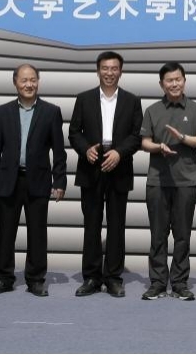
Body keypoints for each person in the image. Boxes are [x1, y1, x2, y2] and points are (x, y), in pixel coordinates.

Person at [0, 64, 67, 297]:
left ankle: (36, 279)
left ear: (38, 82)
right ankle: (4, 278)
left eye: (33, 80)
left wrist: (59, 182)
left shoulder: (51, 111)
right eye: (24, 80)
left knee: (38, 233)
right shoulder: (3, 111)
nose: (29, 84)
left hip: (38, 180)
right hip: (9, 180)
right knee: (5, 233)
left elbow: (59, 151)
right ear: (15, 83)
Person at [69, 51, 142, 298]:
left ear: (120, 71)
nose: (109, 72)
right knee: (91, 225)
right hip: (91, 166)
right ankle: (91, 277)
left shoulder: (132, 100)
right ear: (98, 70)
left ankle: (113, 278)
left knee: (116, 225)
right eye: (105, 68)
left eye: (114, 68)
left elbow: (137, 135)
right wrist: (85, 149)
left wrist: (119, 153)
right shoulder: (84, 98)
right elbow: (74, 132)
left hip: (119, 166)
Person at [140, 62, 196, 301]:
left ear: (184, 81)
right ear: (162, 84)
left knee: (182, 235)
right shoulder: (152, 110)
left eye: (178, 79)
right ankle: (158, 283)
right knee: (158, 235)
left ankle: (179, 283)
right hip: (157, 181)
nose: (174, 84)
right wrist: (159, 147)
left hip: (186, 181)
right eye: (169, 80)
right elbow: (144, 142)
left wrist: (183, 138)